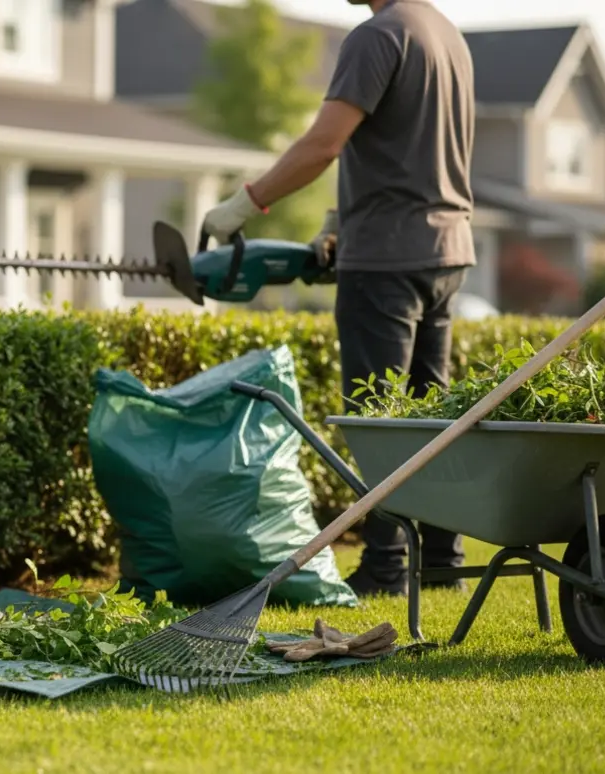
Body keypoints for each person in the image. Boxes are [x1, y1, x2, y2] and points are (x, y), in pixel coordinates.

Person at [197, 0, 476, 597]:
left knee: (377, 417)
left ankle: (386, 567)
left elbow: (323, 145)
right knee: (434, 415)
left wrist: (245, 203)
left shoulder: (376, 36)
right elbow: (410, 149)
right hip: (447, 249)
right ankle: (445, 561)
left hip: (387, 260)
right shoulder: (445, 35)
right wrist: (338, 219)